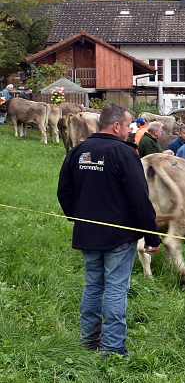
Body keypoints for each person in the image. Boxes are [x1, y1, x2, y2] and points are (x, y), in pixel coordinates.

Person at [57, 104, 160, 356]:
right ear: (116, 126)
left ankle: (89, 341)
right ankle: (112, 348)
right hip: (119, 236)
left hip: (87, 233)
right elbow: (139, 198)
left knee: (93, 285)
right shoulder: (124, 154)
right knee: (115, 287)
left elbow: (64, 191)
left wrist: (78, 218)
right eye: (127, 126)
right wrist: (151, 235)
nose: (129, 131)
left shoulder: (78, 151)